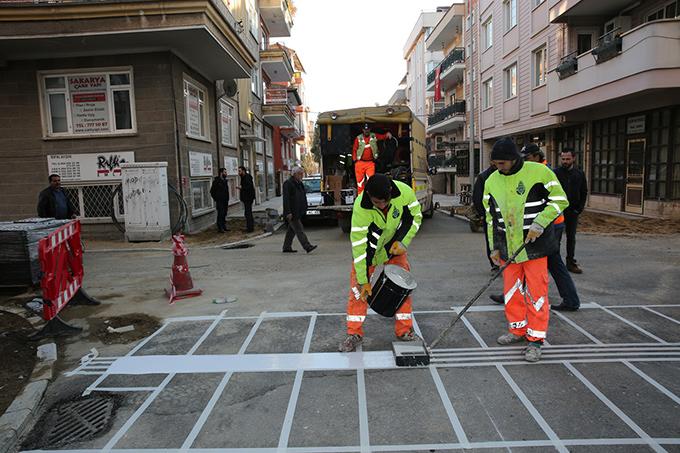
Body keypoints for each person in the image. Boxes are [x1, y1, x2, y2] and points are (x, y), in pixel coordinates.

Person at [483, 137, 568, 362]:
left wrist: (539, 224)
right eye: (495, 163)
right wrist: (493, 247)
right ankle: (517, 330)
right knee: (512, 292)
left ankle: (535, 340)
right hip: (508, 248)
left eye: (502, 163)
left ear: (513, 159)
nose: (497, 167)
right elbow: (490, 217)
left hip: (535, 247)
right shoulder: (492, 181)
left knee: (536, 294)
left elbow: (560, 200)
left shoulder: (539, 173)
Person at [339, 173, 423, 352]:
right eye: (377, 202)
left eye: (386, 201)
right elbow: (359, 247)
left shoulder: (404, 193)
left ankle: (404, 330)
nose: (383, 206)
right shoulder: (361, 208)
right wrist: (363, 280)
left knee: (403, 287)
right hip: (370, 253)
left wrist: (403, 242)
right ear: (369, 195)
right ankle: (354, 333)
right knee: (357, 291)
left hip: (394, 247)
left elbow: (415, 218)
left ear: (391, 191)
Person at [522, 144, 581, 311]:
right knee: (529, 259)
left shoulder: (544, 173)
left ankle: (571, 300)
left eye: (526, 157)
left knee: (551, 261)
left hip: (549, 225)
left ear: (535, 156)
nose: (524, 161)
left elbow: (557, 200)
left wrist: (540, 222)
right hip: (545, 224)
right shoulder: (535, 171)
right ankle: (515, 293)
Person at [554, 149, 588, 274]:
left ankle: (570, 262)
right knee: (556, 238)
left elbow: (584, 192)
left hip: (572, 211)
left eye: (568, 159)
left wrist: (579, 208)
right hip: (558, 211)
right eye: (563, 159)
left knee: (571, 238)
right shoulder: (555, 173)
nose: (565, 161)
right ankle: (555, 264)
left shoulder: (579, 174)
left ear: (573, 158)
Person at [282, 166, 317, 254]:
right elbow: (286, 199)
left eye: (302, 174)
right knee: (299, 229)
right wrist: (288, 212)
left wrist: (305, 207)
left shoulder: (300, 183)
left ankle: (286, 247)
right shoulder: (288, 183)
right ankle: (307, 246)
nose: (301, 175)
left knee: (291, 230)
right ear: (294, 174)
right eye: (300, 174)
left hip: (298, 211)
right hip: (292, 212)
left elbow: (302, 196)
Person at [352, 123, 392, 194]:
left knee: (371, 180)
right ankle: (360, 197)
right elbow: (354, 149)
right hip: (360, 163)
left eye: (367, 129)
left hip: (370, 163)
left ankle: (370, 196)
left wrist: (387, 134)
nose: (366, 131)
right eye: (365, 129)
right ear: (362, 130)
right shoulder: (358, 138)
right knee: (360, 182)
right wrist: (355, 160)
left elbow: (382, 137)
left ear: (370, 129)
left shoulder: (374, 136)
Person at [472, 162, 498, 272]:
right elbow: (477, 198)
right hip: (491, 216)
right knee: (492, 240)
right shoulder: (484, 177)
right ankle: (495, 264)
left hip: (508, 216)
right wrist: (484, 214)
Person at [210, 167, 230, 233]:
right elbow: (212, 191)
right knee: (220, 214)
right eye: (225, 172)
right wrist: (216, 198)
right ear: (221, 173)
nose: (226, 174)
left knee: (224, 213)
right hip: (220, 201)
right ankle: (220, 227)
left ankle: (224, 226)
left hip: (225, 200)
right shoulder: (216, 181)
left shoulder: (225, 181)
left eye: (226, 172)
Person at [237, 166, 256, 233]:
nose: (238, 172)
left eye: (240, 171)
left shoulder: (246, 177)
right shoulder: (244, 177)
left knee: (248, 213)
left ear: (243, 171)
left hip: (248, 198)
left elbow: (249, 187)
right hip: (247, 198)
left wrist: (241, 187)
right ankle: (249, 227)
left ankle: (250, 228)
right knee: (247, 213)